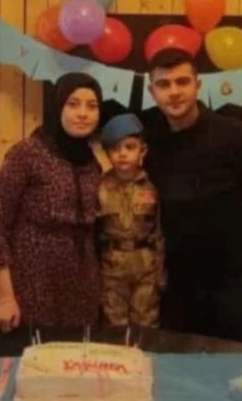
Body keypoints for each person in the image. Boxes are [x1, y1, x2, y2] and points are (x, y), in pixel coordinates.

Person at [143, 48, 242, 347]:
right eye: (164, 84)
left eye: (182, 82)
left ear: (198, 85)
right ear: (152, 91)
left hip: (235, 285)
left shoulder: (234, 135)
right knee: (179, 372)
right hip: (177, 289)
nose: (174, 92)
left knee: (237, 372)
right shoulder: (151, 144)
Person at [0, 72, 104, 332]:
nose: (83, 113)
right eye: (73, 104)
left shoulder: (93, 163)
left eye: (92, 106)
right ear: (58, 107)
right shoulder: (28, 154)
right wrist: (5, 298)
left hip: (84, 289)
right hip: (33, 284)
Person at [96, 113, 165, 328]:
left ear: (142, 150)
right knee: (114, 324)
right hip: (112, 267)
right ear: (107, 153)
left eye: (130, 147)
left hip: (146, 266)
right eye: (115, 148)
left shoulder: (153, 186)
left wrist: (161, 272)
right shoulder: (99, 187)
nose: (122, 154)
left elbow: (160, 230)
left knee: (146, 322)